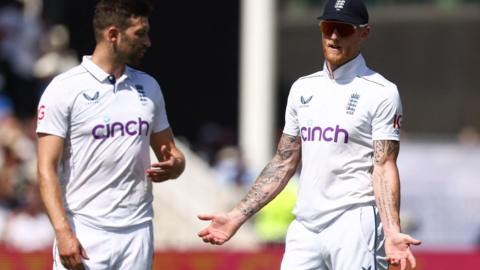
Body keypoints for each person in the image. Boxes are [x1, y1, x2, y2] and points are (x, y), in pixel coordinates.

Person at [198, 1, 420, 269]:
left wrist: (392, 231)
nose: (334, 36)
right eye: (328, 27)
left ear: (364, 33)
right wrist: (236, 216)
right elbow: (283, 162)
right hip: (305, 226)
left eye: (343, 29)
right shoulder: (303, 88)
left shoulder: (381, 92)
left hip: (354, 224)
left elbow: (384, 166)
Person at [36, 1, 185, 269]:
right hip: (84, 230)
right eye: (140, 33)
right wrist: (62, 231)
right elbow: (46, 168)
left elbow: (172, 154)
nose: (148, 42)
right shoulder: (64, 89)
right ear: (113, 35)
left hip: (137, 231)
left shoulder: (149, 87)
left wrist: (175, 166)